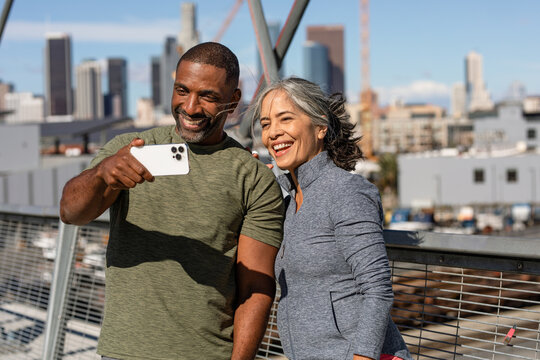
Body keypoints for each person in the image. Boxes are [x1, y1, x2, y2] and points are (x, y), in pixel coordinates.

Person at [60, 42, 284, 360]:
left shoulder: (253, 178)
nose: (190, 107)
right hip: (123, 352)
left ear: (233, 101)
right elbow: (70, 212)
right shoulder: (129, 149)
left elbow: (255, 289)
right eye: (182, 90)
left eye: (207, 96)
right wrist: (101, 175)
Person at [253, 77, 412, 360]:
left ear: (320, 127)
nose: (273, 133)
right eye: (266, 124)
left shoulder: (346, 191)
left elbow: (377, 289)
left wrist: (362, 357)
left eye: (285, 119)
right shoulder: (289, 203)